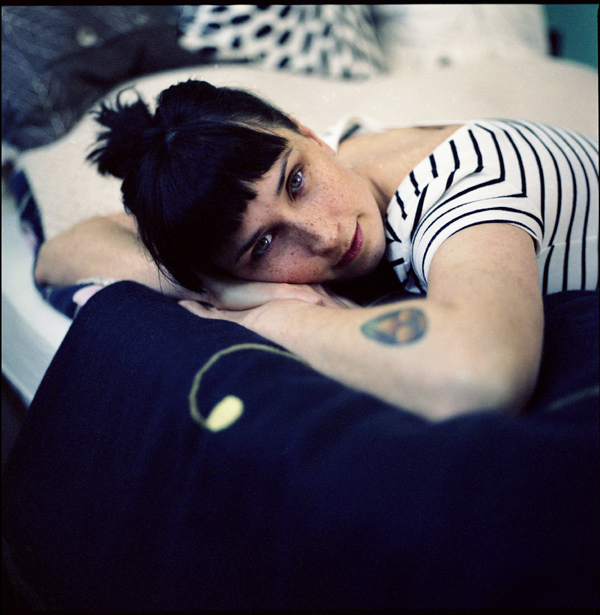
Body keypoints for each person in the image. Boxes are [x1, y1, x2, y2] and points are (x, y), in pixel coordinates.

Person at [34, 79, 599, 420]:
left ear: (306, 131)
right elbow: (62, 252)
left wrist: (270, 318)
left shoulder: (462, 184)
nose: (325, 236)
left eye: (297, 183)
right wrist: (224, 286)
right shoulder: (295, 154)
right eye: (265, 244)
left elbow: (474, 376)